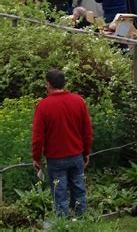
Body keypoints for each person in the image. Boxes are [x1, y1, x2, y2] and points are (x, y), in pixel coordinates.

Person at [32, 69, 93, 217]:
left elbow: (38, 137)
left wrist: (36, 158)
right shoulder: (78, 101)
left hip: (55, 157)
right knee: (79, 189)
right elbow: (87, 130)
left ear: (49, 84)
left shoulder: (43, 106)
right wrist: (86, 152)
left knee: (59, 193)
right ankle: (82, 219)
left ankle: (63, 223)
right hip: (76, 154)